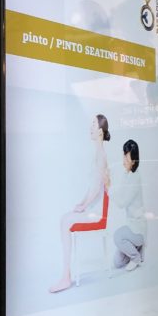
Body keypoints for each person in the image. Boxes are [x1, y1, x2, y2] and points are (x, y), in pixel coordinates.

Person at [48, 114, 111, 293]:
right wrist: (82, 203)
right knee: (65, 219)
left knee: (65, 221)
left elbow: (98, 189)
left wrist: (84, 206)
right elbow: (92, 188)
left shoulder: (101, 155)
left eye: (93, 124)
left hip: (97, 214)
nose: (90, 127)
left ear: (100, 131)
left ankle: (66, 277)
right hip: (91, 209)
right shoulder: (98, 153)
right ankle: (66, 275)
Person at [107, 138, 146, 272]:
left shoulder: (135, 178)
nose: (123, 160)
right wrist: (110, 186)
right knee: (117, 263)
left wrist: (108, 188)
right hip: (131, 226)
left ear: (133, 160)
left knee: (117, 236)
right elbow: (119, 193)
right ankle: (138, 249)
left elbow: (122, 203)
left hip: (137, 229)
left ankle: (136, 258)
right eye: (123, 155)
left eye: (126, 156)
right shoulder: (128, 174)